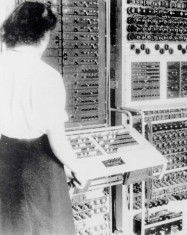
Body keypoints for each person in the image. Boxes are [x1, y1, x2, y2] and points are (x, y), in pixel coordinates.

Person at [0, 2, 87, 234]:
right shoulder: (47, 76)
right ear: (44, 35)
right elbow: (57, 140)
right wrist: (78, 168)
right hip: (40, 171)